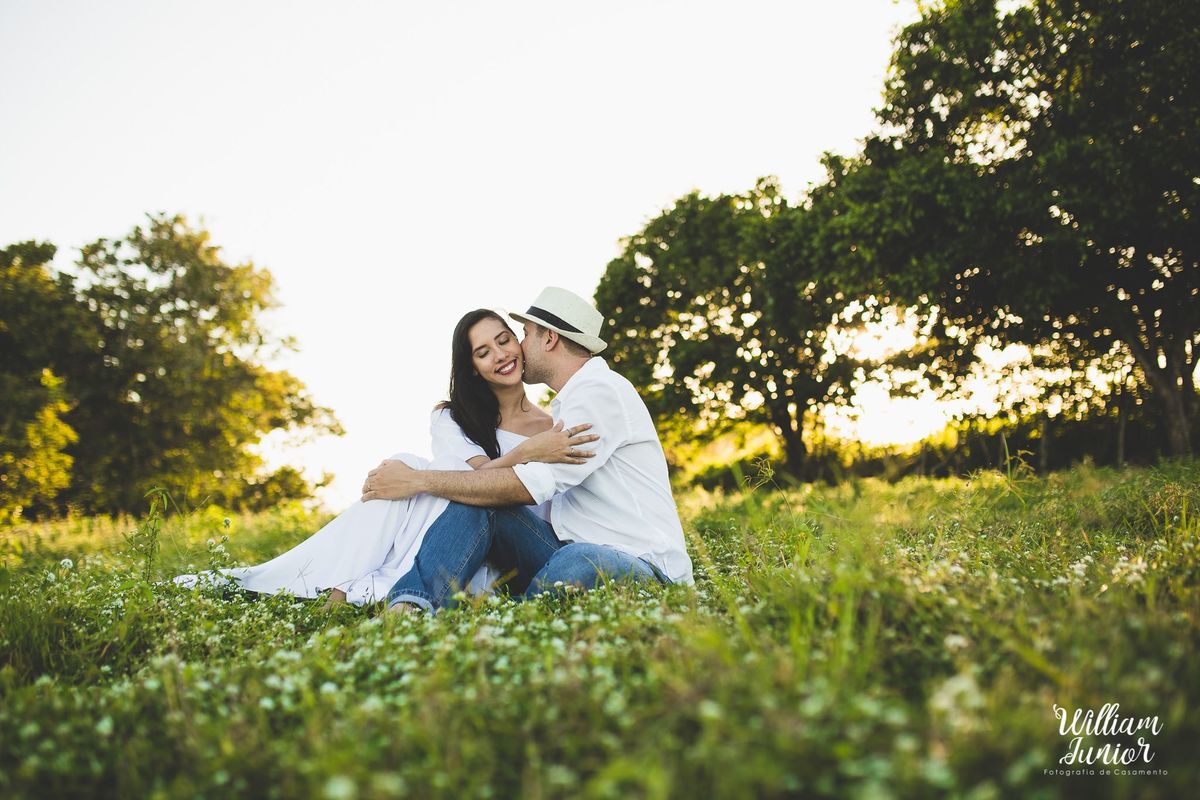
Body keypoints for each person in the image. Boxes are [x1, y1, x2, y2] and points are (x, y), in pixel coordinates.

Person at [173, 309, 599, 605]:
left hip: (505, 546)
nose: (501, 355)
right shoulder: (451, 418)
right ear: (471, 367)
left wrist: (530, 449)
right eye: (483, 351)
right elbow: (471, 481)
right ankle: (337, 579)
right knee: (421, 469)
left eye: (505, 340)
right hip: (451, 528)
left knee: (418, 472)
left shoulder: (554, 427)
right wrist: (527, 453)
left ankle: (366, 587)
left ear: (522, 345)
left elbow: (516, 499)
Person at [360, 286, 694, 615]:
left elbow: (525, 485)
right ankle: (413, 606)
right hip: (564, 551)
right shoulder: (569, 402)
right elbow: (502, 487)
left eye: (524, 334)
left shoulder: (599, 393)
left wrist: (421, 481)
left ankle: (512, 619)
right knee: (485, 504)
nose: (518, 346)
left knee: (578, 562)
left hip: (644, 564)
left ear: (549, 338)